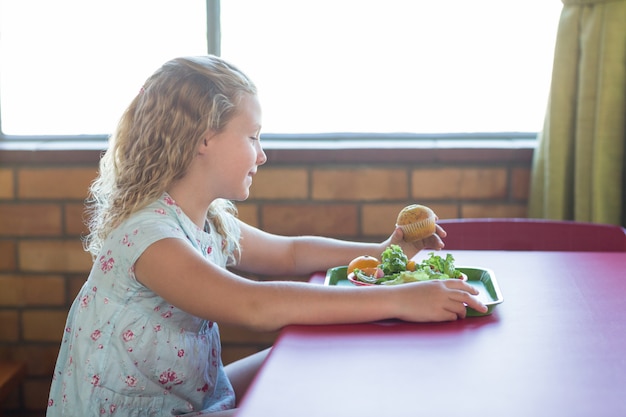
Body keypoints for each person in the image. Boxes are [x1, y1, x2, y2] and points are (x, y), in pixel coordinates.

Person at [46, 55, 487, 417]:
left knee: (308, 361)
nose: (262, 153)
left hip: (189, 396)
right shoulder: (150, 238)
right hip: (138, 412)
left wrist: (382, 251)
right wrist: (399, 300)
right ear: (203, 139)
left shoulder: (209, 218)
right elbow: (253, 305)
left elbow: (292, 253)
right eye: (253, 137)